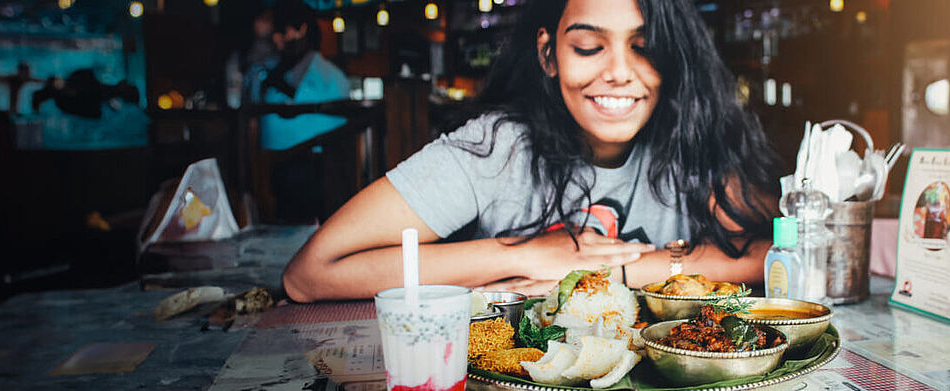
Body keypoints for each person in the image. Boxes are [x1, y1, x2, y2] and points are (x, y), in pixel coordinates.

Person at [282, 0, 781, 302]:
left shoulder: (688, 140)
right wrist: (531, 253)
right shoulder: (496, 147)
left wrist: (611, 270)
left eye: (645, 47)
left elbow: (783, 248)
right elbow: (309, 274)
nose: (620, 72)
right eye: (589, 46)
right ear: (548, 54)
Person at [254, 0, 350, 151]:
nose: (276, 38)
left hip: (311, 165)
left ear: (301, 30)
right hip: (276, 163)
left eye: (280, 30)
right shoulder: (272, 70)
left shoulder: (329, 78)